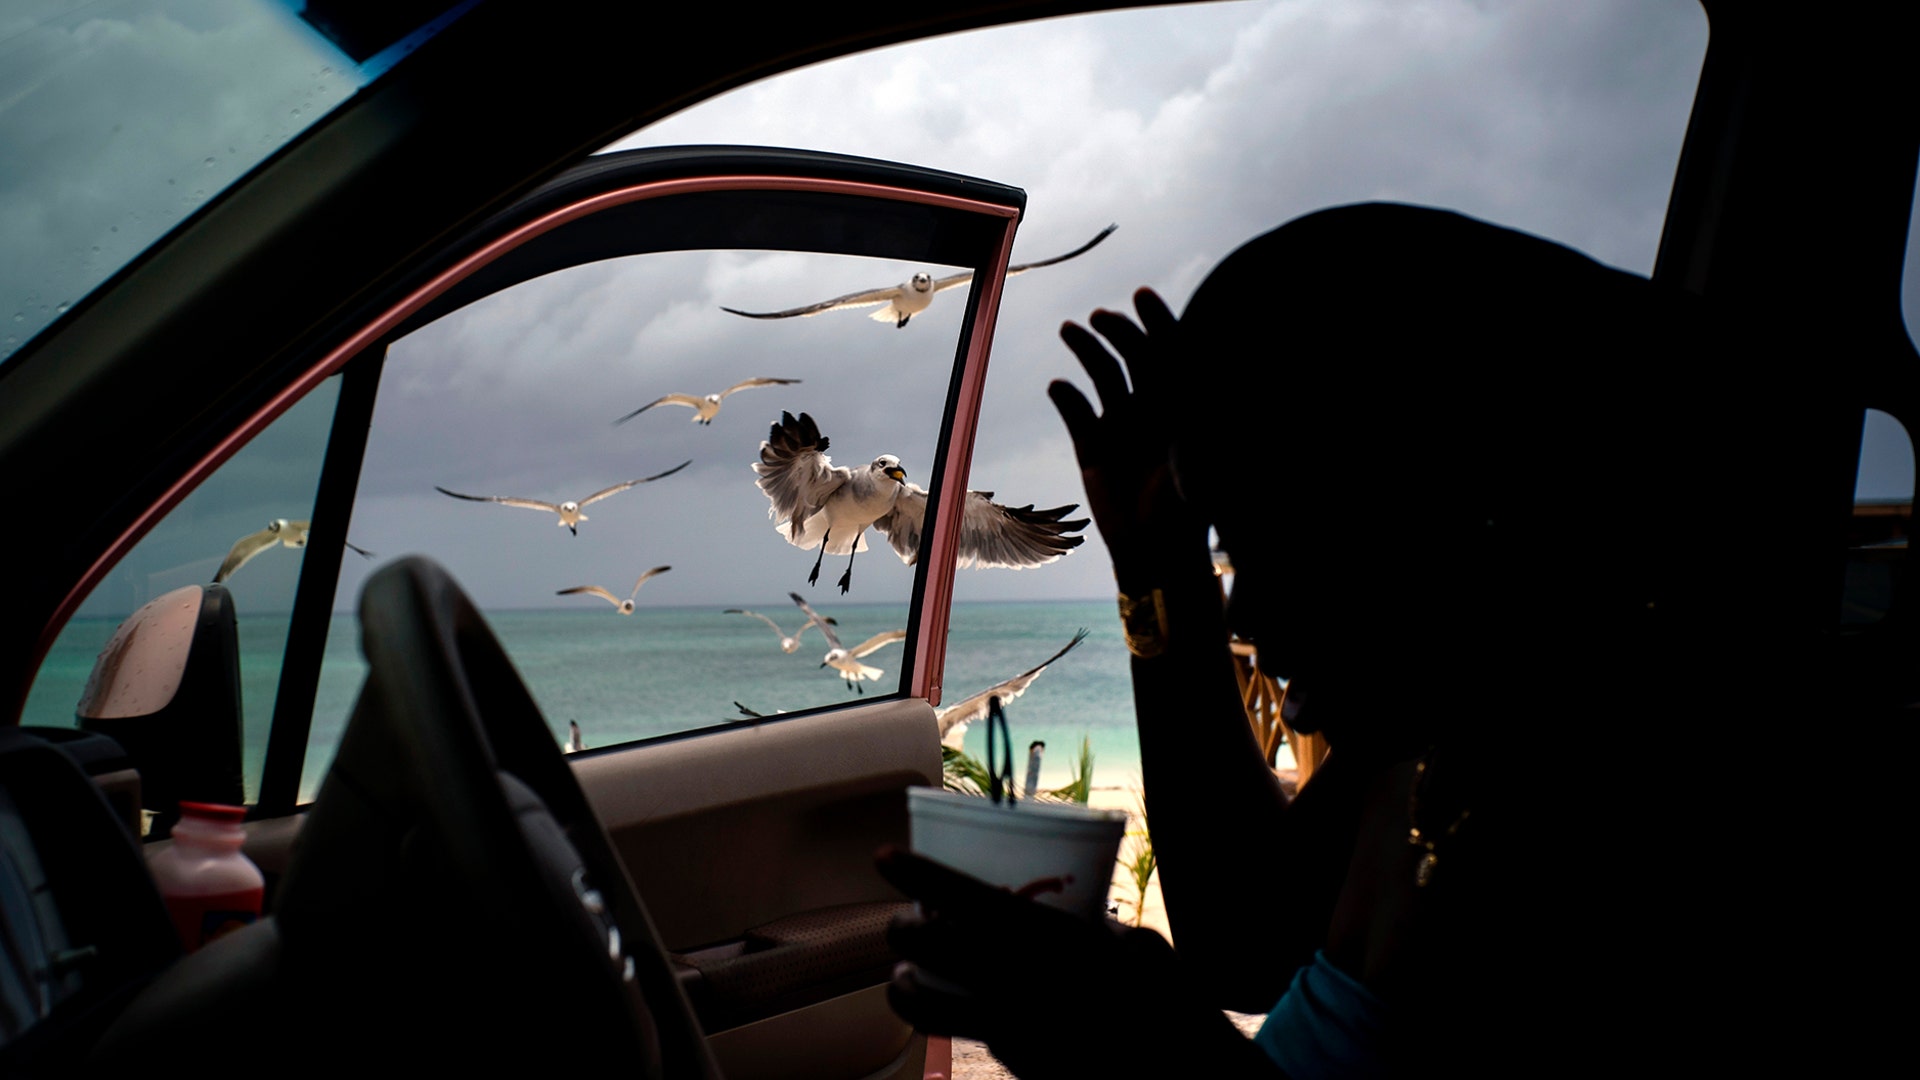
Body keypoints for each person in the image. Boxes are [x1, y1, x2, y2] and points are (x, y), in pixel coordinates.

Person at [880, 203, 1800, 1077]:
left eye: (1274, 551)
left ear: (1452, 515)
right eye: (1226, 556)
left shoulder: (1618, 831)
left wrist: (1149, 1046)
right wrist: (1159, 571)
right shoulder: (1436, 759)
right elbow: (1243, 941)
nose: (1240, 619)